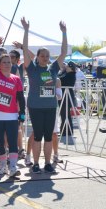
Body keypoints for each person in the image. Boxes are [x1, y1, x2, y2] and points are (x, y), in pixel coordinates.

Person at [21, 17, 67, 173]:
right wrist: (26, 30)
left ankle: (47, 163)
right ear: (37, 57)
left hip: (50, 107)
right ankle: (35, 164)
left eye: (47, 56)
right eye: (42, 56)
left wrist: (64, 33)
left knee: (49, 136)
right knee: (37, 136)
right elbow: (25, 48)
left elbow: (64, 52)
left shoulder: (53, 68)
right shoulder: (32, 68)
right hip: (35, 107)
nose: (45, 58)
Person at [0, 32, 25, 176]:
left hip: (12, 115)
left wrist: (22, 113)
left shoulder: (16, 79)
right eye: (4, 62)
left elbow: (21, 97)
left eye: (9, 62)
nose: (7, 64)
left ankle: (13, 166)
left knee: (12, 142)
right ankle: (2, 165)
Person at [58, 61, 77, 144]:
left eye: (68, 67)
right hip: (64, 96)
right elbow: (60, 77)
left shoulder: (71, 75)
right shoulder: (65, 73)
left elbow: (63, 81)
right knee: (63, 113)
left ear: (71, 67)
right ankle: (64, 130)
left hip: (67, 96)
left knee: (66, 114)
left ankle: (68, 131)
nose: (66, 67)